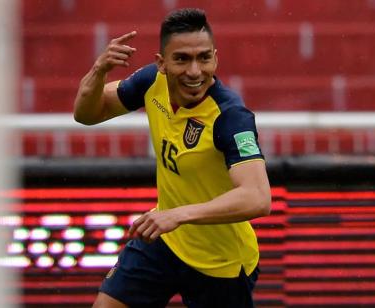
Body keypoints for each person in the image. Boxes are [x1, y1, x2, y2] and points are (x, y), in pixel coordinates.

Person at [74, 8, 271, 308]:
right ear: (161, 63)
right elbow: (87, 114)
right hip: (164, 242)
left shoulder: (231, 116)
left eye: (204, 58)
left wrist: (177, 215)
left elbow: (258, 197)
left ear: (216, 58)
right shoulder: (151, 82)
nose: (194, 71)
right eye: (182, 59)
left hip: (221, 263)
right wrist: (98, 70)